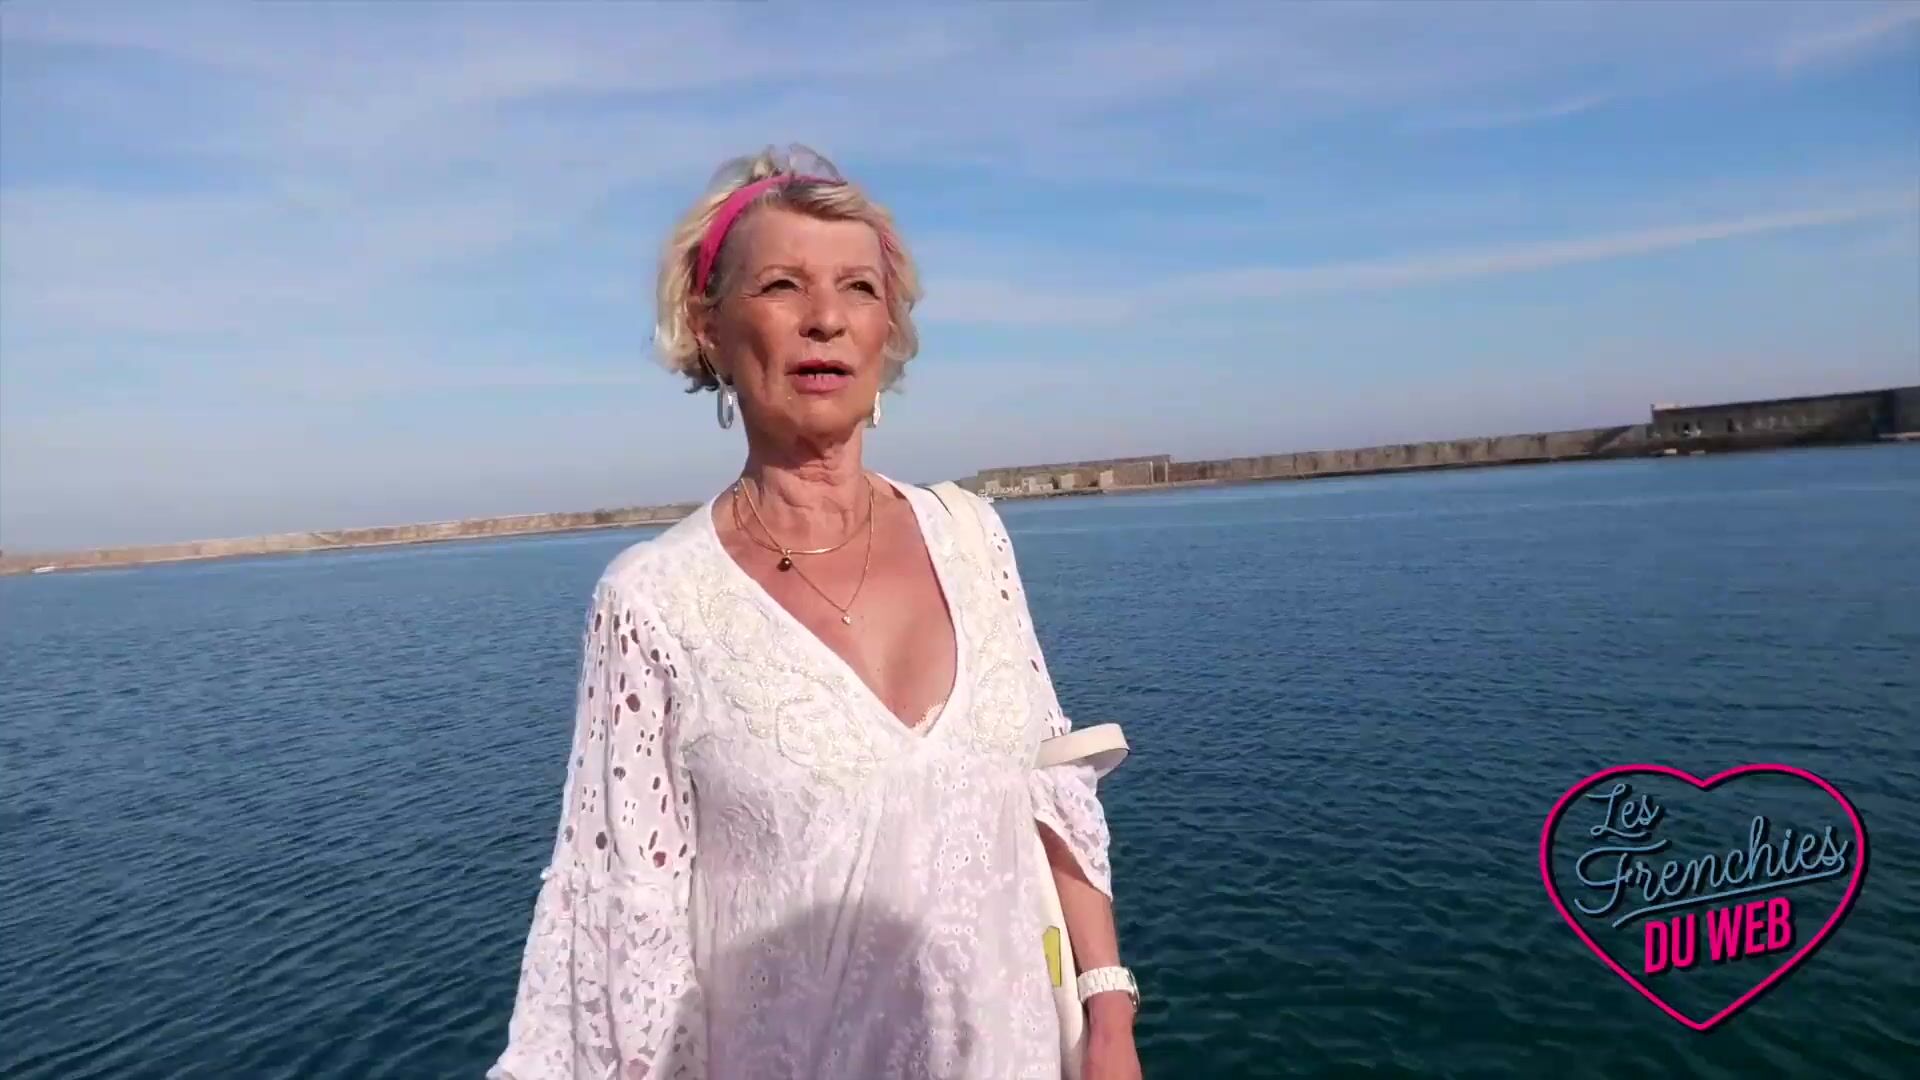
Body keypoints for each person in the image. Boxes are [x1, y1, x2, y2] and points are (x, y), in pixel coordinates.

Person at [489, 146, 1141, 1080]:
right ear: (710, 329)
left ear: (888, 331)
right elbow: (627, 928)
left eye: (859, 289)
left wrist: (1108, 1017)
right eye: (782, 285)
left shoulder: (974, 537)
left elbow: (1050, 785)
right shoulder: (654, 603)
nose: (826, 318)